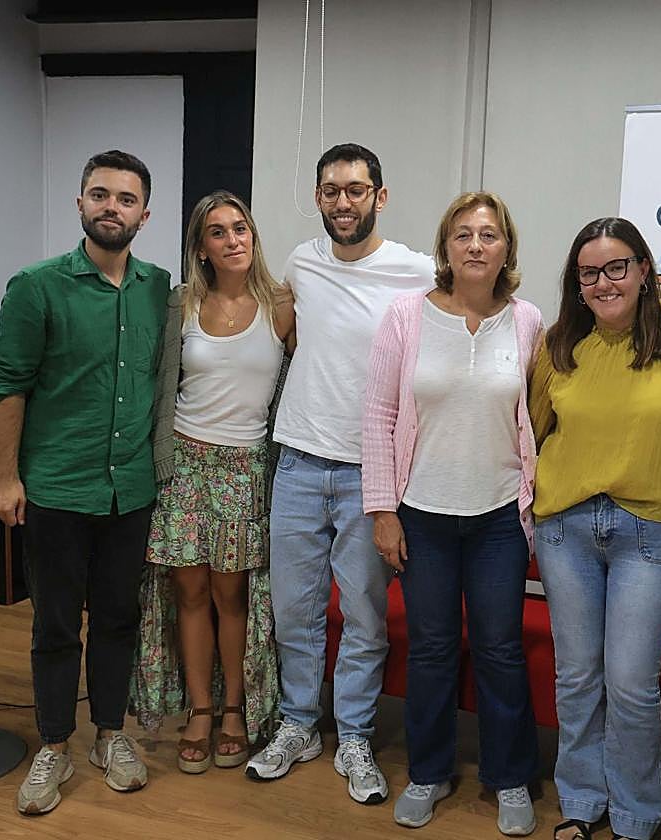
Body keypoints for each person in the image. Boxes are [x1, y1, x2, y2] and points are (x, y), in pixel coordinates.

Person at [244, 143, 434, 805]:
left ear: (380, 196)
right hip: (295, 459)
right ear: (319, 197)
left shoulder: (416, 269)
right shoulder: (302, 260)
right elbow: (288, 330)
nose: (343, 202)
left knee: (363, 617)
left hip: (369, 473)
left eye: (356, 190)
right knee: (293, 613)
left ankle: (353, 734)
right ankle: (300, 724)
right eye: (332, 191)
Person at [0, 150, 170, 815]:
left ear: (144, 215)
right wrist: (6, 477)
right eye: (99, 195)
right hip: (58, 488)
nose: (111, 207)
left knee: (120, 618)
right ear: (80, 204)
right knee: (57, 625)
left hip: (132, 492)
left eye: (125, 199)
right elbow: (9, 386)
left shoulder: (158, 287)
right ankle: (56, 745)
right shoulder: (35, 286)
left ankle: (111, 736)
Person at [363, 192, 543, 835]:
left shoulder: (527, 322)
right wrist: (383, 510)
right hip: (422, 516)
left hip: (498, 518)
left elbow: (538, 422)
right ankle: (428, 772)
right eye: (463, 234)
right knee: (433, 649)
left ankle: (511, 778)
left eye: (488, 234)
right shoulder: (406, 316)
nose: (475, 244)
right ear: (444, 248)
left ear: (506, 249)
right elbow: (379, 416)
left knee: (500, 650)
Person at [528, 218, 661, 840]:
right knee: (577, 675)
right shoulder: (558, 345)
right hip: (567, 528)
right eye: (589, 272)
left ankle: (635, 815)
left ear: (642, 271)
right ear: (576, 283)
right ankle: (581, 804)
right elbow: (531, 433)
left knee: (632, 683)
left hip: (652, 531)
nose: (604, 282)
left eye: (617, 267)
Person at [128, 191, 294, 773]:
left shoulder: (281, 306)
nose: (233, 240)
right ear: (202, 247)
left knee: (232, 597)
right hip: (184, 469)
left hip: (244, 470)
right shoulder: (181, 306)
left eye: (241, 228)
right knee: (190, 595)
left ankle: (233, 709)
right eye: (219, 232)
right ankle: (199, 711)